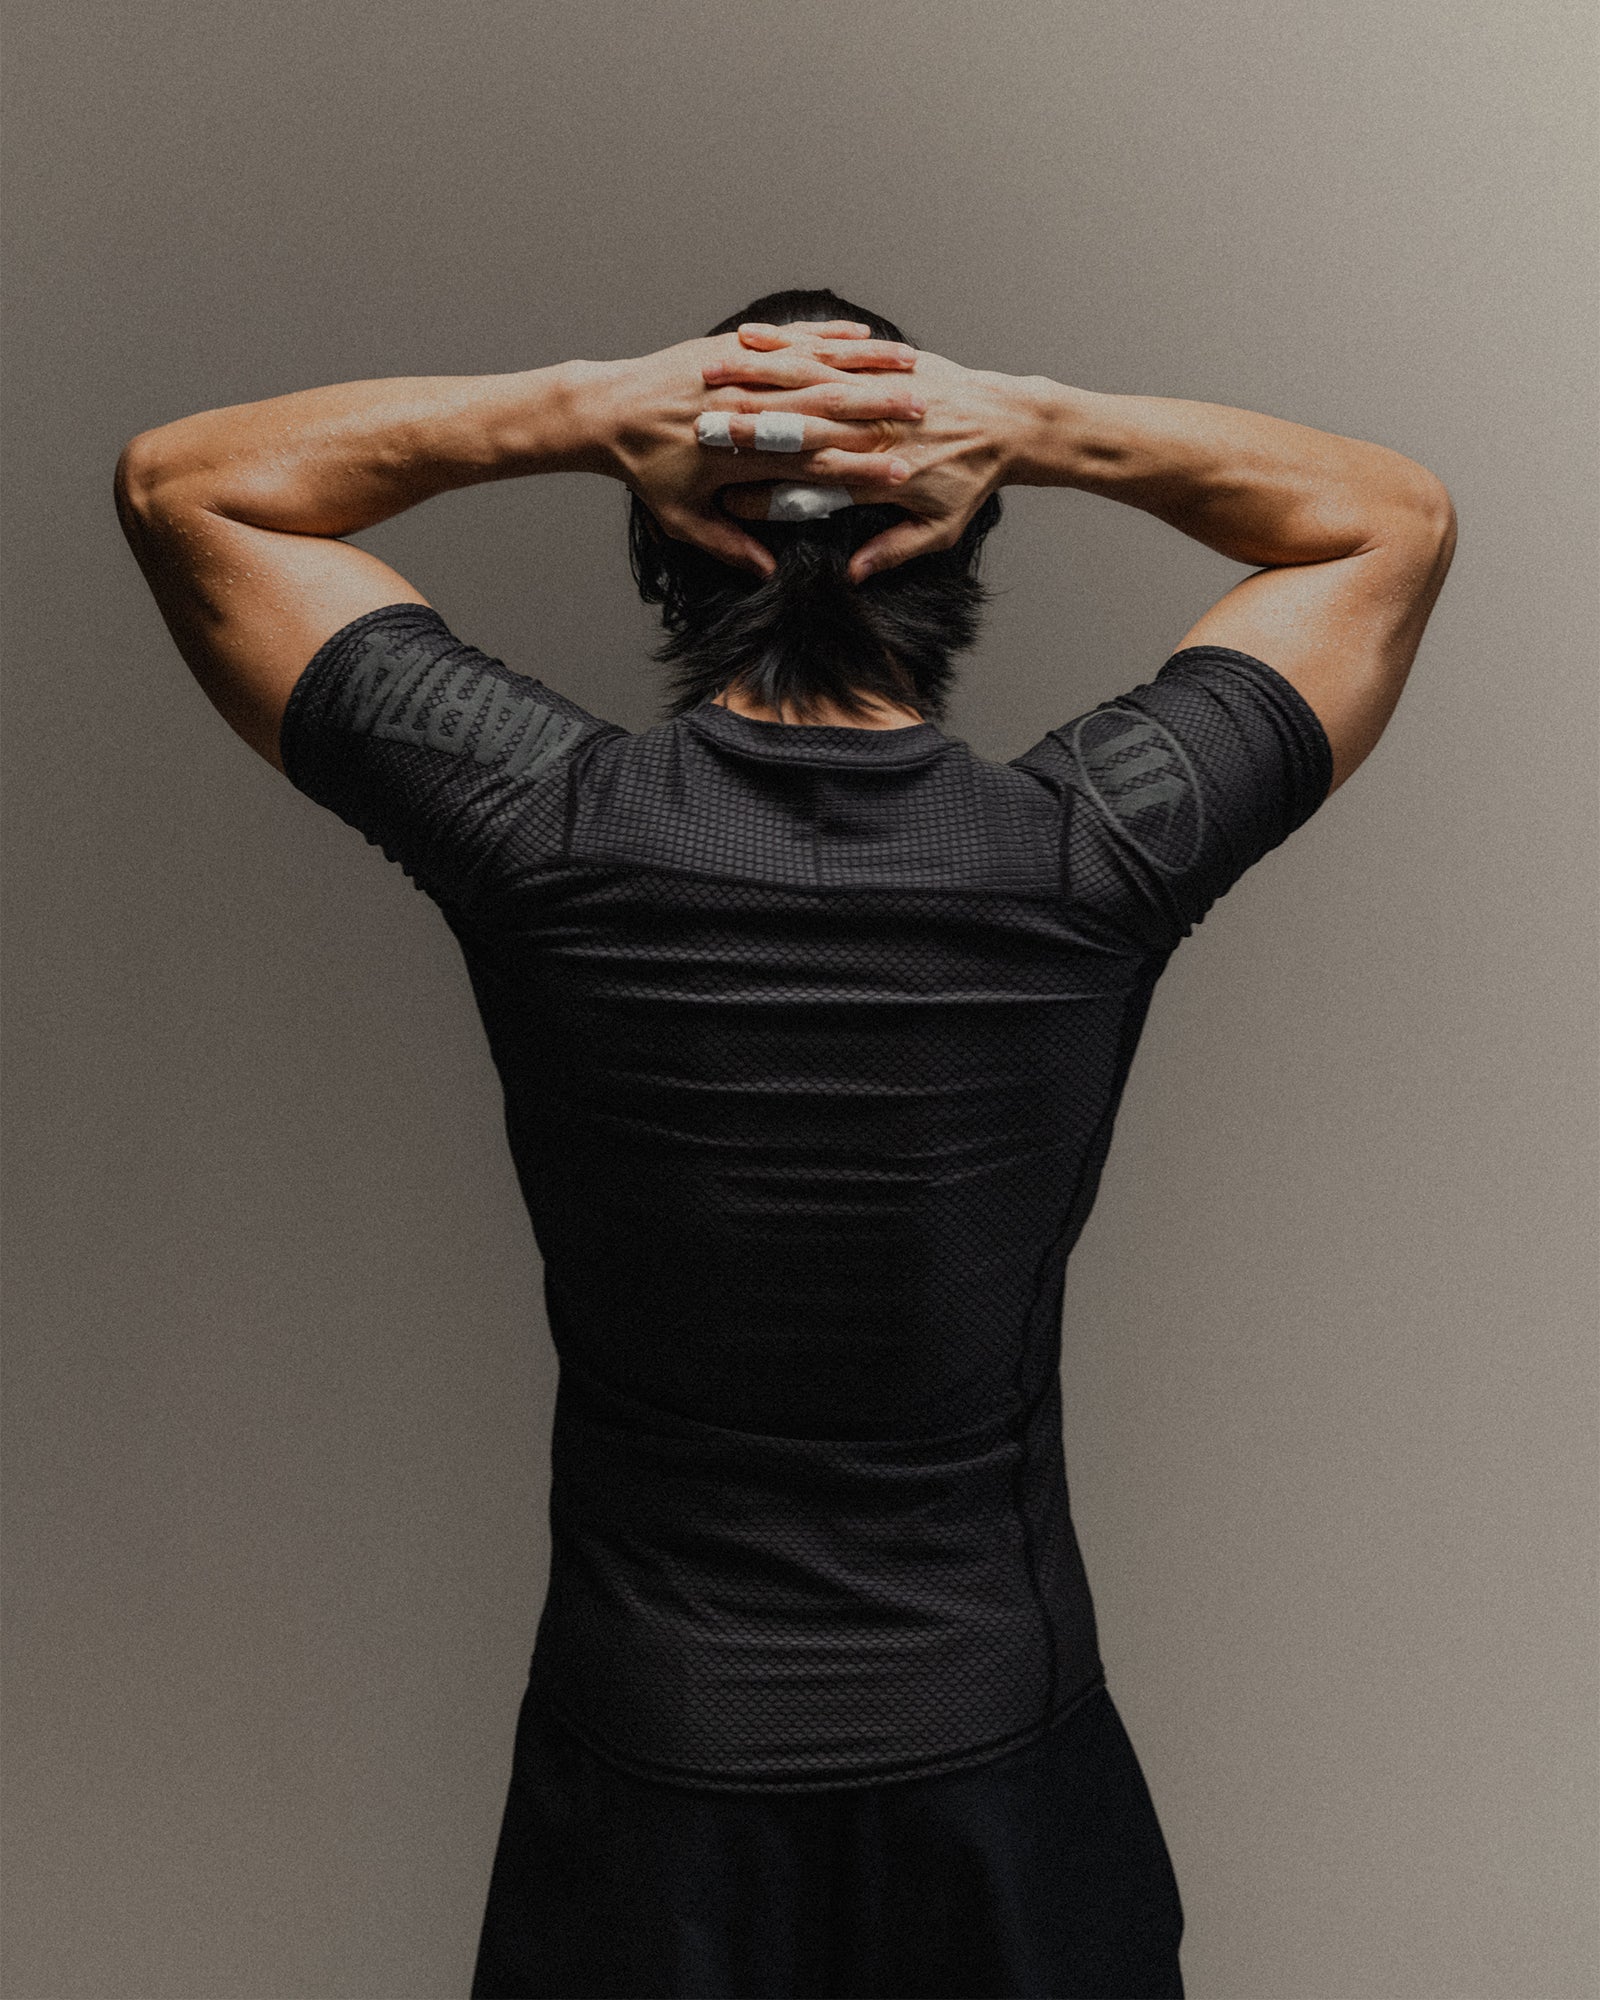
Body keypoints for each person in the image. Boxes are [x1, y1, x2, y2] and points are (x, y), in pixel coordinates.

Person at [114, 287, 1455, 2000]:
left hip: (649, 1797)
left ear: (671, 554)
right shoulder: (1086, 855)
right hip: (1000, 1782)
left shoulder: (547, 825)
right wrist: (1019, 425)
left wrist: (595, 405)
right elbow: (1389, 523)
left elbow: (187, 488)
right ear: (955, 548)